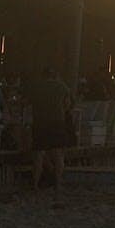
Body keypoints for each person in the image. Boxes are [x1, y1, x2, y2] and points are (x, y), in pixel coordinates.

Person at [25, 66, 74, 194]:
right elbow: (67, 104)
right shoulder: (61, 86)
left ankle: (35, 184)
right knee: (58, 154)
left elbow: (27, 102)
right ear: (55, 75)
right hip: (56, 122)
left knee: (38, 155)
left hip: (40, 122)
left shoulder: (36, 86)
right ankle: (58, 184)